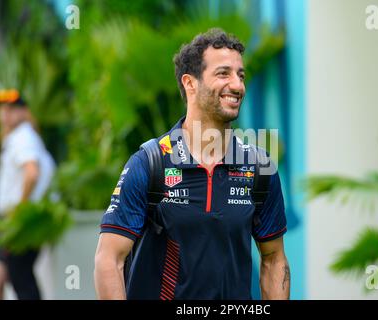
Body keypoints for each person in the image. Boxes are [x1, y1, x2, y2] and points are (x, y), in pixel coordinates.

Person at [94, 28, 290, 300]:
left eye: (240, 75)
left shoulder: (258, 168)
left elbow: (274, 259)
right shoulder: (150, 163)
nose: (237, 85)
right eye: (223, 73)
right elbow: (109, 259)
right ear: (190, 83)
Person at [0, 89, 56, 300]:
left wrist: (20, 211)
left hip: (21, 219)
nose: (6, 114)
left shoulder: (23, 137)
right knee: (7, 272)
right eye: (3, 109)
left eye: (12, 109)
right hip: (15, 219)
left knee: (21, 278)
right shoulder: (20, 137)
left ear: (24, 111)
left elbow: (31, 173)